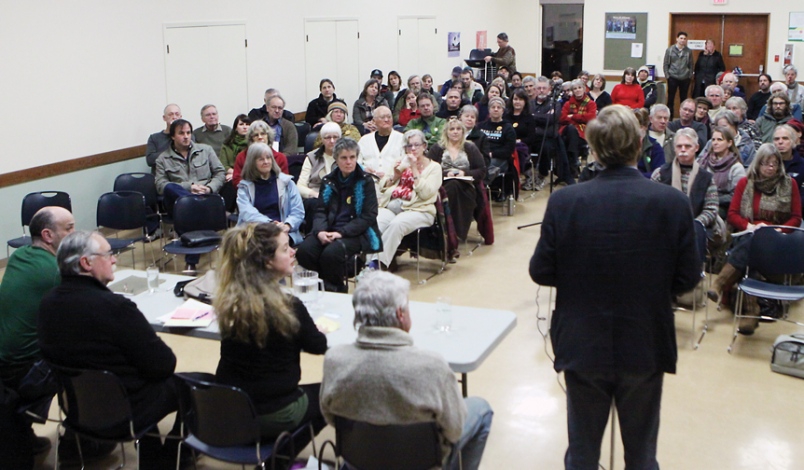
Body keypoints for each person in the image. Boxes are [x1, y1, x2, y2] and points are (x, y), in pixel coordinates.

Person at [530, 104, 699, 470]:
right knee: (641, 455)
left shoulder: (564, 201)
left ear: (593, 148)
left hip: (582, 342)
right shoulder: (672, 202)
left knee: (582, 454)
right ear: (639, 145)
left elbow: (541, 271)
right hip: (645, 342)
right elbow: (688, 279)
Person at [38, 231, 186, 468]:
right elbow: (164, 365)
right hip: (125, 411)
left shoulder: (47, 304)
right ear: (86, 263)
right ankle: (171, 458)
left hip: (77, 409)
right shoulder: (115, 308)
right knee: (194, 386)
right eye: (108, 254)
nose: (115, 259)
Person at [320, 271, 493, 470]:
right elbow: (454, 430)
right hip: (422, 463)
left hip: (359, 460)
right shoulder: (432, 366)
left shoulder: (335, 360)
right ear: (400, 314)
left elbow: (331, 417)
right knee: (482, 409)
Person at [214, 223, 327, 440]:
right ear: (267, 261)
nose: (293, 252)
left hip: (233, 409)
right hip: (275, 412)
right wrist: (313, 330)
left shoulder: (228, 303)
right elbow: (318, 345)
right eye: (285, 249)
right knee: (334, 394)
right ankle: (282, 451)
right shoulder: (289, 307)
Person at [0, 207, 74, 455]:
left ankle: (20, 431)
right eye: (69, 228)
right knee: (88, 358)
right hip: (24, 370)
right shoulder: (54, 272)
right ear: (48, 235)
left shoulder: (20, 256)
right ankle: (81, 440)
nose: (75, 234)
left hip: (5, 363)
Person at [708, 144, 802, 334]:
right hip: (749, 235)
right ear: (758, 164)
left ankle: (721, 284)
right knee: (753, 242)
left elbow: (796, 217)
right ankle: (751, 311)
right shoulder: (746, 183)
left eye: (774, 164)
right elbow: (733, 215)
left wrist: (779, 230)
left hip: (778, 240)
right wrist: (749, 226)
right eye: (766, 164)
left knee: (756, 242)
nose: (770, 168)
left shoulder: (788, 184)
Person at [295, 138, 381, 292]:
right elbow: (320, 211)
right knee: (304, 251)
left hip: (356, 232)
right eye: (344, 158)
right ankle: (322, 285)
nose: (349, 162)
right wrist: (320, 231)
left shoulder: (366, 181)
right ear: (336, 159)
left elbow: (369, 216)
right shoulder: (328, 180)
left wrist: (341, 233)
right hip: (328, 229)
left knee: (330, 254)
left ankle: (335, 289)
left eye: (352, 157)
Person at [371, 129, 442, 270]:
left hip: (420, 209)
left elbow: (426, 194)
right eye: (409, 146)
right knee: (376, 223)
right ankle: (369, 264)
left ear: (424, 146)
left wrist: (414, 168)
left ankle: (377, 265)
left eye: (417, 145)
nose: (413, 149)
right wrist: (395, 176)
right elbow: (383, 186)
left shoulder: (434, 167)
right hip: (392, 205)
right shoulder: (401, 162)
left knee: (397, 225)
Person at [651, 128, 719, 233]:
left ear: (696, 148)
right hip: (664, 229)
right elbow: (652, 204)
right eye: (679, 146)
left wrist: (694, 224)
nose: (683, 150)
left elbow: (711, 209)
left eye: (687, 146)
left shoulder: (707, 178)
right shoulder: (660, 174)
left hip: (695, 230)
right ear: (674, 148)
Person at [428, 119, 486, 241]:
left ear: (463, 132)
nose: (455, 132)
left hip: (466, 186)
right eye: (452, 129)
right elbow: (428, 169)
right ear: (446, 132)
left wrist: (464, 173)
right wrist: (445, 173)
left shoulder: (471, 148)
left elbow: (481, 170)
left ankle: (451, 232)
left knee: (456, 186)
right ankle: (451, 232)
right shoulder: (437, 148)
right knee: (452, 186)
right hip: (442, 185)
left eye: (458, 129)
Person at [154, 118, 226, 216]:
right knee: (169, 187)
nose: (186, 136)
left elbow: (220, 172)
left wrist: (209, 188)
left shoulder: (206, 150)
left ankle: (198, 205)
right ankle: (196, 204)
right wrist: (189, 187)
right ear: (173, 136)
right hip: (180, 201)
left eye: (188, 133)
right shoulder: (162, 159)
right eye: (181, 133)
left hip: (206, 194)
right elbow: (160, 185)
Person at [236, 143, 304, 246]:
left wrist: (287, 225)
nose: (266, 162)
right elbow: (247, 213)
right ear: (252, 162)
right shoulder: (244, 187)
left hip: (284, 231)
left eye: (268, 158)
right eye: (261, 159)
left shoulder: (287, 182)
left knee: (276, 243)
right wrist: (270, 225)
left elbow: (298, 211)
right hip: (256, 231)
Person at [528, 76, 575, 189]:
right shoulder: (529, 104)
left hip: (548, 138)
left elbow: (552, 119)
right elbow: (528, 120)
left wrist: (535, 117)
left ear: (549, 89)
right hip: (532, 138)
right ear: (535, 89)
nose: (541, 90)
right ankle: (527, 175)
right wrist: (543, 118)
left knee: (547, 147)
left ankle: (542, 174)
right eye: (539, 88)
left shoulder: (555, 104)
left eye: (544, 88)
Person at [696, 126, 747, 219]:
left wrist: (712, 199)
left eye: (719, 140)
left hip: (723, 207)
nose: (715, 143)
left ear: (729, 143)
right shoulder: (704, 160)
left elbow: (736, 196)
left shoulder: (736, 167)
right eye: (713, 140)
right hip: (701, 202)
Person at [358, 106, 405, 195]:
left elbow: (406, 163)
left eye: (389, 117)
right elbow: (356, 163)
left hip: (394, 185)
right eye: (382, 117)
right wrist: (364, 169)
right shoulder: (364, 140)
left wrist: (391, 176)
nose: (386, 120)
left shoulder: (402, 139)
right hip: (368, 185)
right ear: (374, 121)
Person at [232, 120, 289, 187]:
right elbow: (236, 180)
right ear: (251, 139)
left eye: (263, 134)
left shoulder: (280, 158)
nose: (260, 137)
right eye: (256, 135)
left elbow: (284, 181)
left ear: (268, 136)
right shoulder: (242, 157)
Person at [560, 79, 597, 174]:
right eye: (575, 88)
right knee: (571, 129)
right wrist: (581, 118)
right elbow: (562, 118)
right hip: (568, 132)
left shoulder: (591, 103)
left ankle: (572, 164)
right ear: (572, 91)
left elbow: (591, 118)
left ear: (584, 89)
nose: (577, 90)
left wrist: (573, 116)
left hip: (583, 133)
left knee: (571, 136)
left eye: (579, 87)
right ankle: (574, 160)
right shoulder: (568, 104)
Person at [480, 97, 517, 191]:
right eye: (493, 107)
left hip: (500, 158)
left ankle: (482, 188)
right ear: (489, 110)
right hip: (482, 156)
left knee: (485, 166)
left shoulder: (508, 128)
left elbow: (508, 150)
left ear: (503, 111)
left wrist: (492, 154)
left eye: (498, 107)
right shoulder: (481, 126)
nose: (495, 109)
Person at [663, 31, 693, 117]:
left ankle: (683, 117)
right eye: (681, 38)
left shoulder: (688, 51)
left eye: (684, 39)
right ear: (677, 39)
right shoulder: (670, 50)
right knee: (670, 99)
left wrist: (690, 75)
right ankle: (669, 117)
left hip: (685, 78)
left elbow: (691, 64)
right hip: (672, 77)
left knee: (683, 99)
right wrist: (667, 76)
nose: (683, 40)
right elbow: (666, 64)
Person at [773, 124, 804, 206]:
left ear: (793, 141)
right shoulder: (765, 164)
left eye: (785, 138)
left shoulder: (802, 165)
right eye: (776, 139)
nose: (780, 142)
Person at [146, 104, 182, 169]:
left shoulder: (187, 136)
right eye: (170, 114)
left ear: (180, 117)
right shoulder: (154, 138)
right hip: (162, 172)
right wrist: (172, 152)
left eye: (177, 114)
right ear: (164, 118)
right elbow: (150, 160)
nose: (174, 117)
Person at [219, 114, 252, 183]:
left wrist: (236, 174)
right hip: (230, 174)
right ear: (236, 128)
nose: (245, 127)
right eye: (241, 124)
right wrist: (234, 173)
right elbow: (223, 165)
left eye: (247, 124)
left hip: (249, 175)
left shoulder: (254, 144)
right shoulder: (227, 144)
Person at [634, 108, 665, 177]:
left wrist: (636, 177)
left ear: (645, 127)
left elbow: (659, 173)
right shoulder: (623, 145)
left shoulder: (655, 147)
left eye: (639, 126)